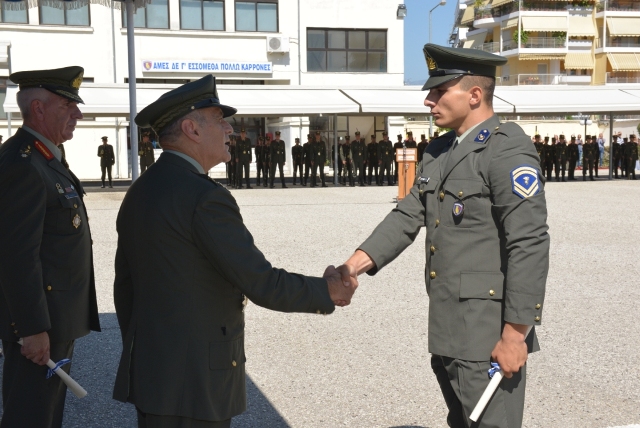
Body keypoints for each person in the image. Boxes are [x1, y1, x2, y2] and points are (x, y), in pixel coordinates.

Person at [113, 75, 356, 428]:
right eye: (219, 119)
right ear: (191, 130)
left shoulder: (144, 188)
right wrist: (328, 291)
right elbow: (260, 282)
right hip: (194, 382)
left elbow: (125, 288)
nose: (229, 128)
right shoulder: (204, 197)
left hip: (155, 373)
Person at [338, 44, 549, 428]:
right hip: (448, 325)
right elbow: (407, 215)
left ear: (474, 95)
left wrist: (516, 334)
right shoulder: (439, 151)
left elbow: (529, 241)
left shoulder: (506, 149)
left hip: (487, 333)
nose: (428, 100)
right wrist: (352, 266)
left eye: (439, 91)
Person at [0, 66, 101, 428]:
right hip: (39, 326)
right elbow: (16, 256)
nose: (78, 114)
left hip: (54, 321)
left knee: (45, 415)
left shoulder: (46, 157)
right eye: (68, 105)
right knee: (30, 416)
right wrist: (31, 328)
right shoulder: (23, 164)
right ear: (39, 109)